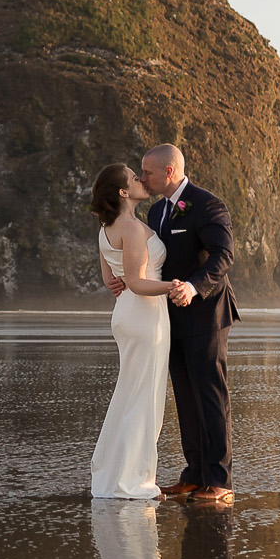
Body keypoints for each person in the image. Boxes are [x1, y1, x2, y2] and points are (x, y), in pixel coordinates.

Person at [107, 144, 239, 505]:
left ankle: (220, 480)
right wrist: (120, 277)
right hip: (168, 318)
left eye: (147, 172)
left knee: (211, 396)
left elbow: (223, 254)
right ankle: (194, 474)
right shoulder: (158, 210)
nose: (142, 178)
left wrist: (194, 287)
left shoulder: (207, 204)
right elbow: (147, 260)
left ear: (168, 171)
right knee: (185, 396)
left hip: (206, 315)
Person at [89, 164, 175, 499]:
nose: (140, 179)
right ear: (124, 192)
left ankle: (115, 474)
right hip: (145, 316)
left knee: (129, 395)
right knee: (144, 400)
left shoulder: (106, 227)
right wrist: (175, 285)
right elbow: (137, 283)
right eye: (133, 177)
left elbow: (111, 279)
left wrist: (121, 281)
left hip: (124, 315)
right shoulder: (135, 229)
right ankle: (134, 482)